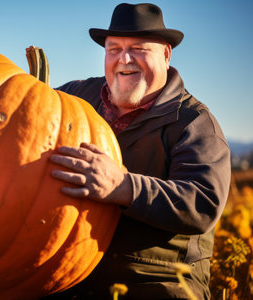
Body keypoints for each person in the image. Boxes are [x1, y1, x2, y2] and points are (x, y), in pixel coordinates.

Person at [46, 3, 231, 299]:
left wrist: (123, 186)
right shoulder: (76, 96)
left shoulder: (194, 122)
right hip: (69, 271)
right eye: (114, 49)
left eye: (139, 48)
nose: (124, 59)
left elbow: (202, 202)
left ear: (166, 55)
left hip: (157, 279)